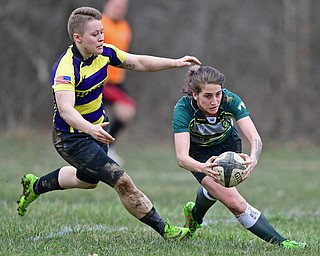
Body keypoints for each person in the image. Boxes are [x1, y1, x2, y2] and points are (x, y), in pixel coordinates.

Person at [17, 6, 201, 241]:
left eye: (102, 32)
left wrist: (175, 63)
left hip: (96, 131)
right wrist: (90, 128)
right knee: (122, 181)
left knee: (88, 181)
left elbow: (139, 61)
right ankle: (166, 230)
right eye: (95, 34)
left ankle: (36, 186)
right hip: (72, 138)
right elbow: (66, 110)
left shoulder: (105, 53)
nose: (102, 37)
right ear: (78, 38)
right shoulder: (65, 68)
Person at [172, 65, 307, 248]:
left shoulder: (230, 100)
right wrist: (203, 168)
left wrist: (254, 158)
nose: (215, 101)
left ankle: (194, 214)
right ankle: (284, 244)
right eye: (208, 96)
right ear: (195, 95)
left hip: (228, 146)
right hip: (201, 155)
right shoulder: (183, 109)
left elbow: (255, 138)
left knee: (219, 189)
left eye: (218, 94)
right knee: (234, 202)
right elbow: (182, 158)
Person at [101, 0, 135, 164]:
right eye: (116, 6)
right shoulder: (99, 24)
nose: (119, 10)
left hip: (116, 81)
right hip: (99, 80)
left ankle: (107, 147)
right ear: (107, 5)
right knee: (93, 118)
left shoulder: (125, 27)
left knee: (126, 111)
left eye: (122, 7)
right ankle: (99, 149)